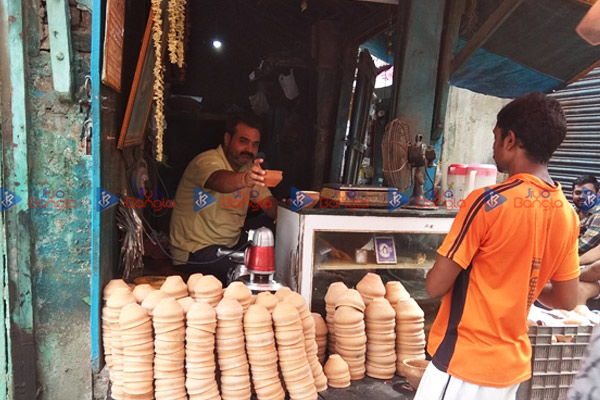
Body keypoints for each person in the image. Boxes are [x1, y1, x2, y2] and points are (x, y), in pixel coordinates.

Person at [414, 92, 580, 400]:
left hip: (464, 359)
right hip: (510, 369)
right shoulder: (568, 214)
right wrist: (517, 288)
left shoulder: (488, 202)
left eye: (495, 137)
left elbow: (436, 285)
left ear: (510, 140)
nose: (493, 147)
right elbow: (568, 299)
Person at [169, 113, 277, 285]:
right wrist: (244, 180)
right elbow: (217, 180)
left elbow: (268, 203)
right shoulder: (206, 161)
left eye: (254, 144)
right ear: (227, 139)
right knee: (247, 277)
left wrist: (287, 215)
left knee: (268, 228)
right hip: (195, 250)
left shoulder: (249, 168)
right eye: (243, 141)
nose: (249, 149)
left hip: (230, 244)